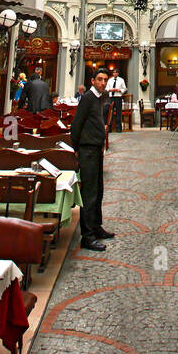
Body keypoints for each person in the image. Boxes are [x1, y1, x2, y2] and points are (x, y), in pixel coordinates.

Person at [70, 68, 114, 251]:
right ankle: (87, 236)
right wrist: (76, 150)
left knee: (98, 189)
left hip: (96, 149)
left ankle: (96, 227)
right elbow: (76, 124)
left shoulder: (99, 98)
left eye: (105, 80)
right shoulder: (88, 98)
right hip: (87, 150)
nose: (103, 83)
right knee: (89, 193)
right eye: (100, 79)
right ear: (93, 81)